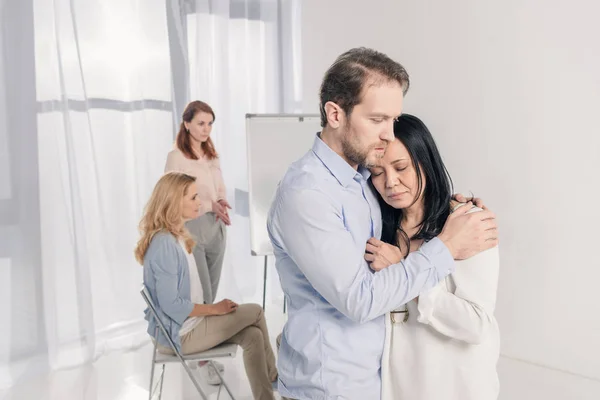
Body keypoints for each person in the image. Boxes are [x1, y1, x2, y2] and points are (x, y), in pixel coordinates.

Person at [267, 47, 498, 400]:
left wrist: (455, 207)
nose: (389, 134)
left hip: (381, 385)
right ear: (334, 114)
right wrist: (447, 247)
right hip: (330, 388)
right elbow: (359, 299)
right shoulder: (306, 193)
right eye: (377, 120)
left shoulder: (363, 178)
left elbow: (413, 197)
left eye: (393, 119)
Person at [366, 114, 499, 400]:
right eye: (377, 172)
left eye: (401, 167)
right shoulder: (378, 228)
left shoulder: (467, 223)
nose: (390, 182)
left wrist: (404, 271)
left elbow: (476, 326)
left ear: (425, 162)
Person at [135, 172, 277, 400]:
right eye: (193, 198)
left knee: (253, 337)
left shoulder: (178, 236)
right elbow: (171, 305)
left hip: (190, 326)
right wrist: (214, 309)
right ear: (173, 201)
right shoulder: (164, 245)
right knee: (256, 312)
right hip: (179, 336)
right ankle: (277, 380)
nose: (199, 203)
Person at [165, 100, 231, 306]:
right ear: (186, 124)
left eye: (210, 123)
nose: (206, 129)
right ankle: (199, 335)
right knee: (201, 295)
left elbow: (219, 187)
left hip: (216, 227)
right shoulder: (176, 157)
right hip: (192, 228)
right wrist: (210, 206)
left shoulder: (212, 155)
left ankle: (210, 336)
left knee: (211, 294)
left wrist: (220, 200)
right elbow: (173, 198)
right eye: (201, 123)